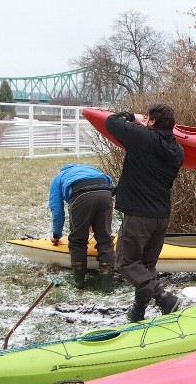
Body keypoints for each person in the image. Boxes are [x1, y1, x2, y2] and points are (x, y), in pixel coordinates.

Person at [105, 104, 185, 322]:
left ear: (152, 122)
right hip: (161, 216)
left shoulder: (142, 137)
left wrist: (132, 117)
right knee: (146, 268)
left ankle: (163, 297)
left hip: (139, 214)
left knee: (126, 262)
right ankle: (138, 311)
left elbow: (111, 122)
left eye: (148, 119)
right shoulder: (178, 151)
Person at [49, 163, 116, 292]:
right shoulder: (91, 169)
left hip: (80, 194)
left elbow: (57, 211)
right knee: (105, 239)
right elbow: (108, 181)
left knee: (78, 239)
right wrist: (93, 217)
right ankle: (107, 284)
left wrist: (56, 235)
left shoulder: (58, 178)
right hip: (105, 192)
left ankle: (78, 281)